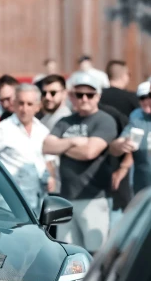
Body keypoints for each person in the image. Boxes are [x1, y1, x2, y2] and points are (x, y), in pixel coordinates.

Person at [42, 71, 117, 253]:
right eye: (79, 94)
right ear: (72, 96)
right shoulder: (65, 121)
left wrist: (63, 147)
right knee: (68, 253)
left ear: (98, 96)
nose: (84, 98)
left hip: (94, 197)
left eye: (89, 94)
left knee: (95, 252)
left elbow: (90, 152)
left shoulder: (105, 120)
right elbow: (46, 146)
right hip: (66, 198)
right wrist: (75, 142)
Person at [0, 83, 49, 212]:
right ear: (15, 104)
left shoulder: (43, 131)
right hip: (9, 205)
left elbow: (50, 161)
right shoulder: (3, 129)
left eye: (29, 104)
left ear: (38, 107)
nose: (24, 108)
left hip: (38, 204)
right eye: (21, 103)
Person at [37, 74, 73, 194]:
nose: (47, 97)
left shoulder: (68, 119)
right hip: (46, 185)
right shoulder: (44, 119)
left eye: (53, 93)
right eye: (44, 93)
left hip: (61, 187)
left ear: (64, 93)